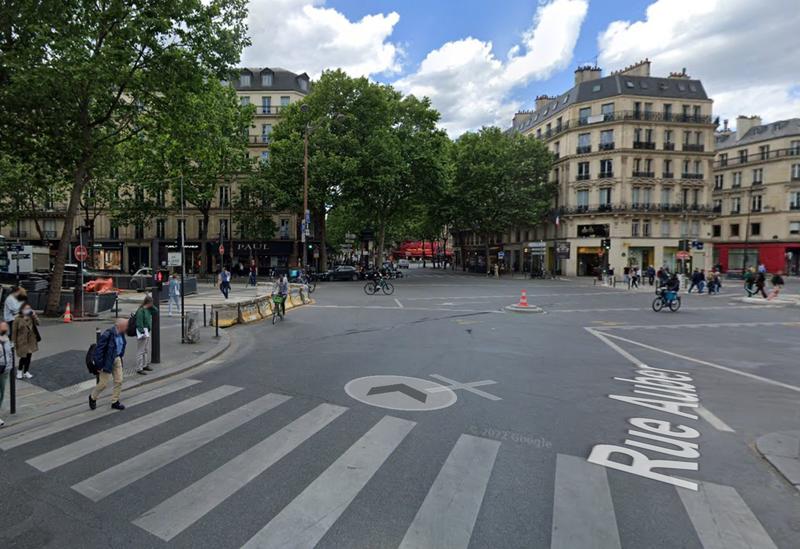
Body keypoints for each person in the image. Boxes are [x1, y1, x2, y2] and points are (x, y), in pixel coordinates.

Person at [89, 318, 128, 410]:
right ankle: (92, 397)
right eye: (125, 325)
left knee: (119, 380)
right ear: (119, 326)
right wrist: (99, 365)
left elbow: (122, 345)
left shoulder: (121, 334)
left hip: (117, 358)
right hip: (107, 361)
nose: (127, 327)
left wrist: (120, 356)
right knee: (103, 384)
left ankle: (115, 401)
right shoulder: (107, 334)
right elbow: (98, 351)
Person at [12, 302, 39, 380]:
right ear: (22, 309)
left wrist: (35, 316)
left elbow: (38, 323)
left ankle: (26, 371)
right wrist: (13, 342)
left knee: (29, 356)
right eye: (26, 308)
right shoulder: (17, 319)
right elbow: (14, 332)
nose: (28, 310)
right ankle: (19, 371)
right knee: (23, 357)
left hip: (31, 340)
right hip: (21, 341)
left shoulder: (31, 317)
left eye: (29, 308)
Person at [135, 296, 155, 375]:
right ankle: (139, 368)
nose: (152, 304)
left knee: (145, 349)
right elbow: (139, 323)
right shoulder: (141, 311)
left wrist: (152, 306)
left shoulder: (148, 310)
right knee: (140, 351)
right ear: (148, 303)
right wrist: (142, 332)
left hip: (147, 332)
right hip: (142, 332)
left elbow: (156, 310)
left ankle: (145, 365)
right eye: (151, 303)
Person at [0, 321, 12, 426]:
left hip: (5, 370)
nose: (5, 328)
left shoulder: (7, 339)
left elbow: (9, 354)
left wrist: (10, 366)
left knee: (1, 393)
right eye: (3, 327)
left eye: (6, 327)